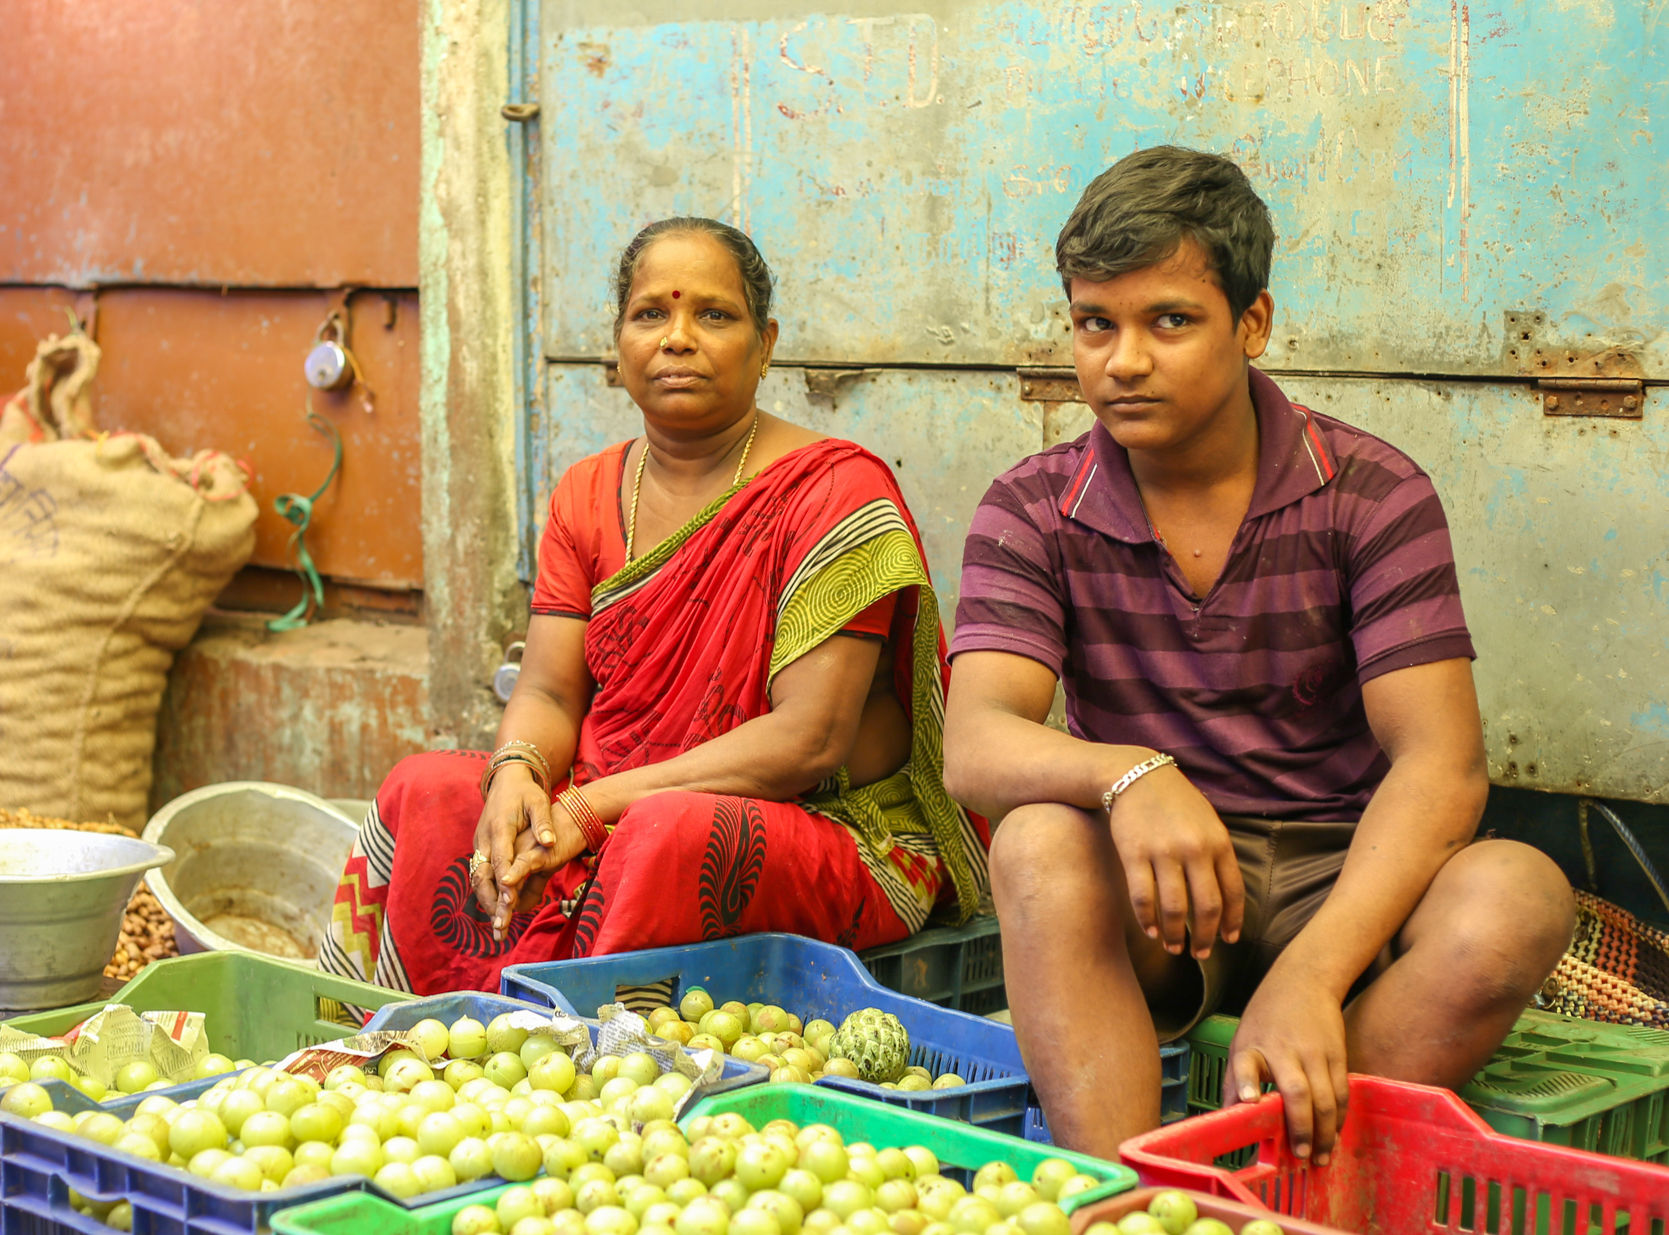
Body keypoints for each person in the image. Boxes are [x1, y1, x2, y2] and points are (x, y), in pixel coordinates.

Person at [942, 147, 1575, 1161]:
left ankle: (1268, 1168)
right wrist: (1131, 774)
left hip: (1344, 867)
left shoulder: (1371, 491)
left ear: (1253, 323)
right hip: (1161, 889)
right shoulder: (1032, 506)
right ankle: (1135, 1200)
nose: (1124, 359)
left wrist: (1314, 974)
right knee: (1034, 844)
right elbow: (973, 743)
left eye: (1170, 321)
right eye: (1095, 323)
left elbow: (1441, 764)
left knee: (1517, 895)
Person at [323, 217, 989, 995]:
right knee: (428, 788)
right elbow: (546, 691)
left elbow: (810, 739)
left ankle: (584, 1053)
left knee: (670, 834)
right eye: (651, 314)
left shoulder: (836, 493)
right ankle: (405, 1042)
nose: (677, 337)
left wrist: (591, 807)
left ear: (764, 342)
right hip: (620, 799)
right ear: (618, 345)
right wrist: (517, 773)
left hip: (830, 826)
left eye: (713, 314)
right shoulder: (587, 491)